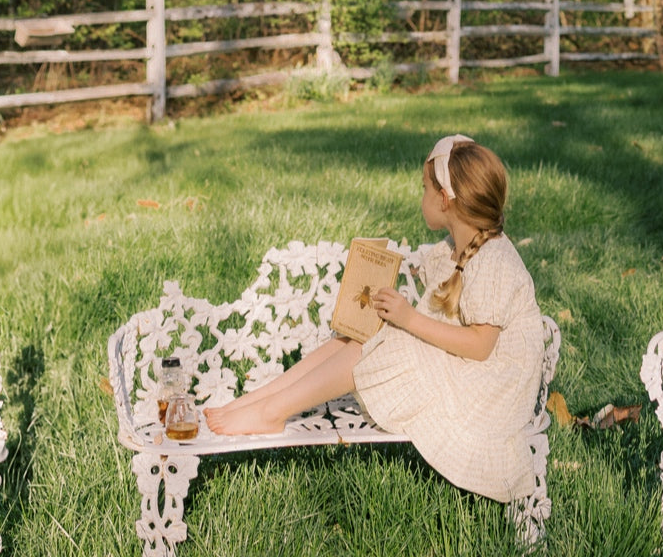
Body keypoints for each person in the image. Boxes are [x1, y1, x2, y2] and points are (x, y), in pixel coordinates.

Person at [204, 134, 545, 503]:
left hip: (492, 393)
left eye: (425, 188)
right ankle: (260, 402)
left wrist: (409, 318)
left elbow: (480, 347)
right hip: (475, 372)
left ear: (445, 200)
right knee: (363, 334)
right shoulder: (461, 248)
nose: (421, 198)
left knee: (387, 342)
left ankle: (272, 412)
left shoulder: (494, 260)